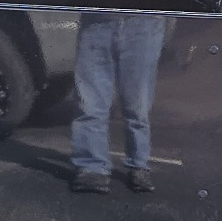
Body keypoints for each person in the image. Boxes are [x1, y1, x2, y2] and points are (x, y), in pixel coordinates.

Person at [70, 12, 166, 193]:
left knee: (138, 103)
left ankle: (139, 165)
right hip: (96, 18)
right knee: (89, 101)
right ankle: (92, 167)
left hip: (145, 20)